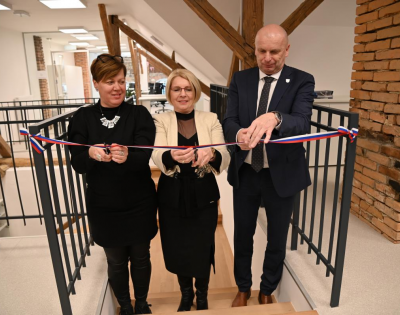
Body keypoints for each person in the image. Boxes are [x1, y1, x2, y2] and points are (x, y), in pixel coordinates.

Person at [222, 24, 315, 306]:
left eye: (275, 51)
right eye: (262, 51)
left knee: (276, 237)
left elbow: (302, 122)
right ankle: (243, 287)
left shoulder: (302, 80)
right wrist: (239, 136)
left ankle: (266, 289)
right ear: (255, 50)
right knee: (243, 234)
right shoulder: (241, 79)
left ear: (286, 50)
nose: (268, 57)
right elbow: (229, 121)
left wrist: (276, 117)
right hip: (247, 171)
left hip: (282, 174)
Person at [68, 54, 157, 315]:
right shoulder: (82, 118)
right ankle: (125, 306)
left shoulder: (139, 114)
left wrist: (129, 156)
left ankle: (141, 304)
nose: (118, 87)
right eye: (110, 81)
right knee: (116, 261)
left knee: (141, 257)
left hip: (139, 200)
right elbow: (77, 163)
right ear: (96, 83)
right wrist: (91, 155)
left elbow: (144, 156)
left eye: (121, 81)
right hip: (104, 204)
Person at [152, 69, 230, 312]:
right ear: (170, 93)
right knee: (177, 246)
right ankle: (186, 294)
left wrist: (213, 153)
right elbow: (156, 152)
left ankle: (202, 296)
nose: (183, 94)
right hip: (171, 196)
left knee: (202, 245)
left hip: (203, 194)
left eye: (188, 89)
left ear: (195, 92)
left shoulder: (211, 118)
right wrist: (170, 155)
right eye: (177, 89)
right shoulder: (160, 120)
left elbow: (225, 153)